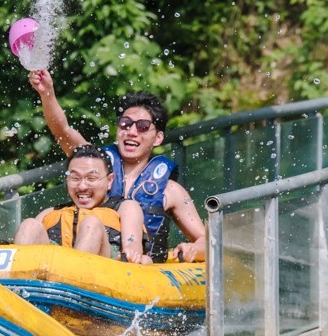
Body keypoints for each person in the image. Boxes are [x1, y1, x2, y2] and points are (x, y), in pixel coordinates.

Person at [29, 70, 206, 262]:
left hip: (142, 269)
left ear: (158, 138)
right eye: (125, 124)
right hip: (90, 258)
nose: (132, 132)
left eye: (143, 127)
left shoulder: (171, 191)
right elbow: (63, 131)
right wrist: (47, 93)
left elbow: (206, 240)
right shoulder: (94, 165)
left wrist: (194, 249)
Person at [14, 145, 151, 263]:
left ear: (109, 181)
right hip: (54, 272)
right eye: (75, 178)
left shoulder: (125, 208)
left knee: (91, 223)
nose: (82, 186)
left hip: (105, 271)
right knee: (29, 225)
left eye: (91, 178)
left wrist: (133, 254)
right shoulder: (50, 213)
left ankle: (72, 277)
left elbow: (132, 247)